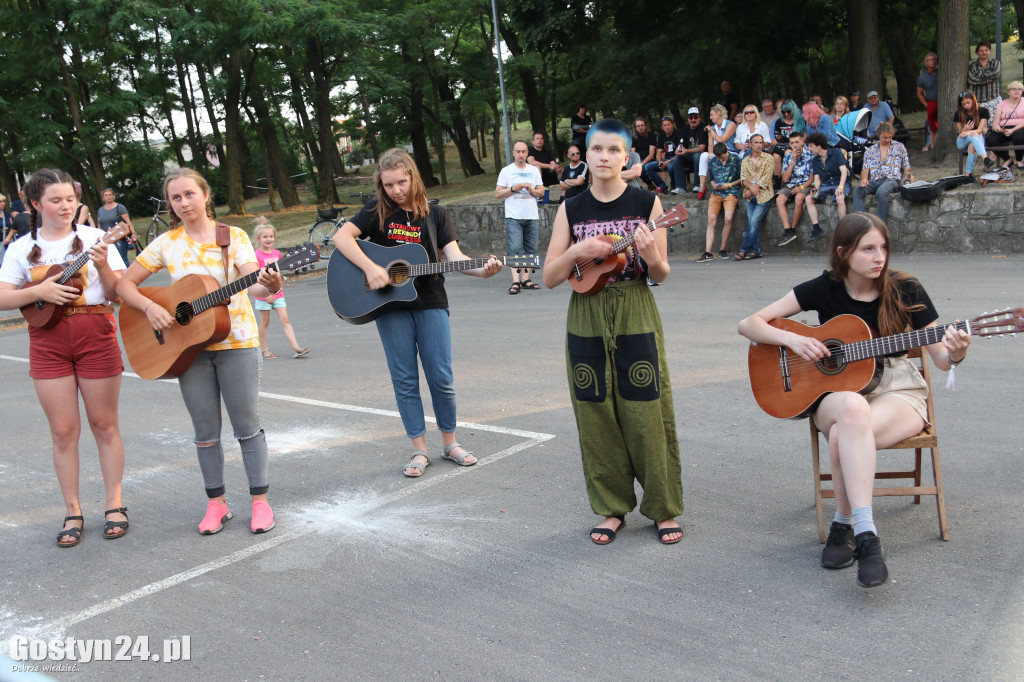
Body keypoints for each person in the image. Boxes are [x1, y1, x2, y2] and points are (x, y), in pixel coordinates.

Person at [738, 212, 971, 588]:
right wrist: (794, 340)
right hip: (838, 394)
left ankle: (848, 526)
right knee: (850, 406)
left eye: (883, 248)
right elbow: (749, 324)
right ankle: (867, 538)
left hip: (897, 390)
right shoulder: (824, 288)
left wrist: (957, 353)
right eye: (868, 249)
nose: (879, 257)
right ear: (844, 252)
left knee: (846, 431)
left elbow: (942, 360)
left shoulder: (906, 288)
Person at [117, 168, 283, 536]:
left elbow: (253, 283)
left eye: (189, 194)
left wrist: (270, 283)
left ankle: (259, 502)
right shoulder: (166, 242)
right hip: (188, 349)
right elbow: (124, 285)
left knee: (247, 427)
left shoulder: (233, 237)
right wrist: (149, 308)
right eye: (176, 198)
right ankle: (216, 504)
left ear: (205, 195)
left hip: (236, 341)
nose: (183, 203)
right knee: (205, 431)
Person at [541, 119, 683, 546]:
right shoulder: (571, 209)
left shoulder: (647, 203)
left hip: (635, 307)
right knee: (594, 408)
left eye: (613, 150)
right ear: (585, 155)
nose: (604, 157)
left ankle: (662, 507)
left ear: (627, 157)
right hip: (584, 311)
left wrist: (648, 251)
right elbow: (549, 276)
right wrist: (580, 250)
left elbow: (662, 272)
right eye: (597, 149)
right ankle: (611, 507)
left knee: (646, 406)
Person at [333, 148, 501, 478]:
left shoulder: (435, 215)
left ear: (413, 176)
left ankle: (450, 443)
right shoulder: (377, 212)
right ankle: (419, 449)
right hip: (390, 306)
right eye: (389, 185)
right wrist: (372, 268)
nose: (396, 190)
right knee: (405, 378)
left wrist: (483, 271)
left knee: (441, 376)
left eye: (402, 182)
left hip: (432, 301)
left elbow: (454, 256)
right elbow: (341, 237)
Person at [0, 168, 129, 547]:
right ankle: (72, 510)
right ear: (35, 204)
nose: (65, 206)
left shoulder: (96, 238)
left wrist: (104, 263)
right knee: (62, 431)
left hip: (95, 333)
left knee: (104, 424)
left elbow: (116, 294)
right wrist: (37, 291)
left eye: (70, 199)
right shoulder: (21, 247)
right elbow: (3, 296)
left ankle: (114, 504)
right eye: (55, 201)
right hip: (47, 339)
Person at [251, 217, 310, 359]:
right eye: (265, 236)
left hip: (278, 293)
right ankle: (264, 349)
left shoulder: (277, 254)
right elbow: (256, 278)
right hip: (263, 294)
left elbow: (278, 273)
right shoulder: (256, 256)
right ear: (258, 238)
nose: (269, 239)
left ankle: (296, 347)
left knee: (285, 320)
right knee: (265, 322)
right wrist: (267, 293)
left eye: (271, 236)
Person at [496, 140, 544, 294]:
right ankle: (515, 281)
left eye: (523, 151)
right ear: (513, 153)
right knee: (515, 249)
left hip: (531, 215)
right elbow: (498, 193)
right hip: (514, 216)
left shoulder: (534, 170)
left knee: (531, 248)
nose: (521, 154)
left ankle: (526, 279)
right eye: (518, 151)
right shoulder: (506, 171)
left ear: (527, 153)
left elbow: (541, 192)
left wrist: (531, 190)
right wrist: (512, 188)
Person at [852, 122, 912, 223]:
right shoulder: (870, 150)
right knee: (858, 191)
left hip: (893, 180)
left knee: (881, 192)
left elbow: (906, 166)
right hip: (875, 180)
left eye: (890, 137)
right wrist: (864, 179)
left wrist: (908, 176)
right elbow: (865, 169)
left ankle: (881, 225)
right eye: (885, 137)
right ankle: (862, 222)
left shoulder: (900, 147)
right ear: (879, 135)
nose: (888, 140)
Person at [696, 143, 742, 262]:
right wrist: (713, 185)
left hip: (731, 191)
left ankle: (722, 249)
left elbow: (743, 177)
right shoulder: (713, 161)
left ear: (726, 152)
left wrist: (730, 185)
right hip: (716, 193)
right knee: (711, 220)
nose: (721, 160)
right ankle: (708, 252)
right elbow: (711, 178)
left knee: (728, 218)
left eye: (723, 157)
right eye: (719, 158)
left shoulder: (736, 159)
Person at [803, 132, 849, 243]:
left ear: (818, 146)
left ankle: (843, 229)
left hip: (840, 182)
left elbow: (844, 172)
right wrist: (814, 191)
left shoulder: (836, 153)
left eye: (810, 146)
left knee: (840, 198)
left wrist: (841, 187)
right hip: (827, 184)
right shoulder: (815, 160)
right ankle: (816, 228)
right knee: (809, 199)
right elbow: (817, 179)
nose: (809, 148)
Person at [736, 134, 774, 260]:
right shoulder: (745, 160)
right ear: (751, 144)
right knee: (753, 222)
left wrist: (753, 189)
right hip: (749, 195)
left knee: (753, 222)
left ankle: (744, 249)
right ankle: (757, 250)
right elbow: (743, 178)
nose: (759, 145)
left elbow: (767, 178)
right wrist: (750, 188)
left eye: (761, 142)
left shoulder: (768, 158)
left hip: (764, 195)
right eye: (756, 142)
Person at [776, 131, 814, 246]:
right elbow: (785, 179)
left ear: (802, 142)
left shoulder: (810, 155)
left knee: (799, 198)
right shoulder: (788, 156)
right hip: (791, 184)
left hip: (805, 184)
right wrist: (793, 161)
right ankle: (787, 231)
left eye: (797, 142)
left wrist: (801, 187)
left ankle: (792, 229)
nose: (795, 145)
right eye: (792, 143)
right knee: (779, 199)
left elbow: (811, 179)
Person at [696, 104, 738, 198]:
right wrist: (711, 155)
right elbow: (710, 145)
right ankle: (702, 186)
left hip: (729, 151)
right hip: (716, 152)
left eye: (712, 115)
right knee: (703, 156)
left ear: (719, 113)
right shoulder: (713, 128)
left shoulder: (730, 124)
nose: (710, 117)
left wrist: (711, 131)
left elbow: (721, 140)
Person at [643, 116, 685, 194]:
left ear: (672, 125)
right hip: (665, 159)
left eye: (668, 124)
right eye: (665, 125)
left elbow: (679, 153)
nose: (667, 127)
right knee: (648, 167)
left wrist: (667, 162)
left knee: (670, 166)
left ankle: (674, 185)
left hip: (676, 159)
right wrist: (659, 161)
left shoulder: (678, 135)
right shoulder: (661, 136)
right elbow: (658, 152)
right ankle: (662, 186)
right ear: (662, 127)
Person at [987, 81, 1024, 169]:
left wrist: (1013, 130)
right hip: (1004, 128)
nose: (1017, 91)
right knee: (990, 139)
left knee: (1019, 137)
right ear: (1008, 92)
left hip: (1020, 127)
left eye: (1019, 89)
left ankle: (1019, 160)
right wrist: (999, 129)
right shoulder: (1002, 104)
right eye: (1014, 89)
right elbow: (995, 123)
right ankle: (1008, 159)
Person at [96, 188, 136, 265]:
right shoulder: (100, 210)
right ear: (103, 197)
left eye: (110, 195)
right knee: (110, 261)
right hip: (105, 238)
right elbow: (99, 225)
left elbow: (128, 221)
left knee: (122, 259)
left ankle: (127, 275)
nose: (108, 197)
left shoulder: (119, 207)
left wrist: (133, 233)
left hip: (118, 237)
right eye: (106, 195)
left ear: (113, 196)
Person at [954, 90, 990, 175]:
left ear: (973, 100)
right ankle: (985, 158)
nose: (966, 106)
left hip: (976, 138)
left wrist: (968, 132)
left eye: (968, 102)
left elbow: (980, 129)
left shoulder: (983, 111)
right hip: (962, 141)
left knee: (972, 144)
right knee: (974, 135)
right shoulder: (958, 113)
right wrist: (965, 130)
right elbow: (961, 134)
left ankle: (968, 174)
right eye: (963, 104)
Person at [676, 107, 708, 193]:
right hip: (689, 158)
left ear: (700, 118)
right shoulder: (683, 130)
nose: (693, 120)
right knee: (677, 158)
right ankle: (680, 187)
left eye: (695, 117)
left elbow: (701, 148)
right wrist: (678, 150)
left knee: (698, 155)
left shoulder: (703, 128)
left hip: (702, 158)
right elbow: (680, 145)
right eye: (691, 117)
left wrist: (686, 151)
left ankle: (697, 185)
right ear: (688, 119)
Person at [968, 40, 1002, 116]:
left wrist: (980, 77)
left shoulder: (995, 63)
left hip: (994, 99)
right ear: (977, 52)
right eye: (981, 51)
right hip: (979, 101)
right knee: (982, 126)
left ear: (989, 51)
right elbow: (971, 80)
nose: (984, 52)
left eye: (986, 50)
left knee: (996, 125)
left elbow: (996, 74)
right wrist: (987, 80)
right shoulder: (972, 66)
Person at [772, 100, 805, 178]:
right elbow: (777, 139)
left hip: (796, 144)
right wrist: (778, 138)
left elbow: (804, 136)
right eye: (783, 112)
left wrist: (797, 143)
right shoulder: (779, 122)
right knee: (776, 156)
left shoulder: (800, 121)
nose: (786, 114)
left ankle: (792, 177)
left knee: (788, 153)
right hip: (783, 144)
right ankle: (777, 179)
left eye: (788, 112)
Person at [917, 53, 939, 151]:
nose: (932, 61)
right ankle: (932, 147)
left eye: (934, 59)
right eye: (930, 60)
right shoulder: (922, 77)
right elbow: (920, 93)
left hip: (943, 102)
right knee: (932, 126)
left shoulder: (941, 71)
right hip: (932, 102)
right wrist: (927, 105)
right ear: (925, 63)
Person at [631, 117, 658, 188]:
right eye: (638, 126)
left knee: (641, 169)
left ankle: (650, 184)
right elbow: (633, 153)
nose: (640, 128)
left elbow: (651, 155)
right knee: (628, 168)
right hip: (638, 160)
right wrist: (634, 163)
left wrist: (641, 164)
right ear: (635, 128)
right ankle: (636, 187)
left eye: (642, 125)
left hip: (649, 160)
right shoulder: (633, 138)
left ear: (646, 126)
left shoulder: (652, 136)